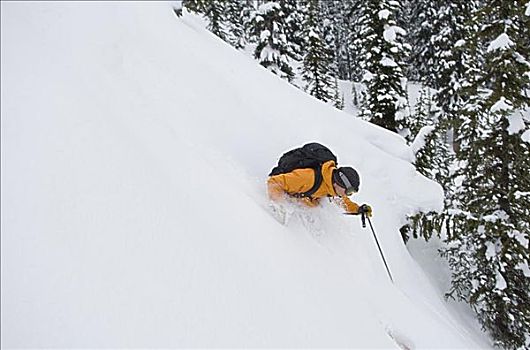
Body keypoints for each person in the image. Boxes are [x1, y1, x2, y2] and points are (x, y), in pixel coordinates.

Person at [267, 154, 372, 217]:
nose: (348, 195)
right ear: (339, 183)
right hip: (285, 200)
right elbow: (274, 182)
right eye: (349, 192)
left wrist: (358, 209)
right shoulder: (308, 178)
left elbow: (344, 202)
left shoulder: (332, 189)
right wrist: (279, 206)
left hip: (301, 204)